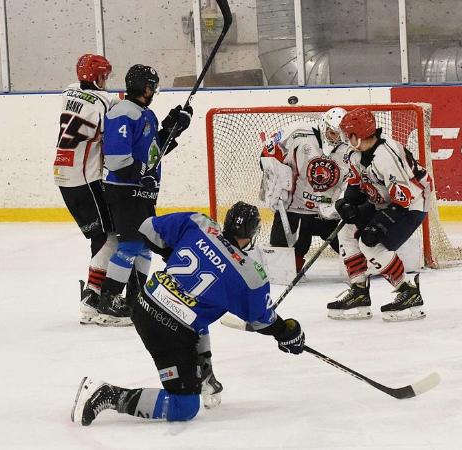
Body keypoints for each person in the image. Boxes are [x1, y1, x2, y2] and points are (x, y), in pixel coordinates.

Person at [71, 202, 306, 426]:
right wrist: (288, 332)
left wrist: (174, 253)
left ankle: (204, 376)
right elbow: (263, 322)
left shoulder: (200, 224)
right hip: (170, 332)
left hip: (144, 305)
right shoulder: (250, 275)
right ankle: (109, 395)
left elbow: (147, 229)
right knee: (184, 406)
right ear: (252, 234)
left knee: (197, 316)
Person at [96, 64, 193, 326]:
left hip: (141, 190)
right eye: (152, 86)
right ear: (145, 87)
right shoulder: (123, 111)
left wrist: (174, 129)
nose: (154, 91)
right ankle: (109, 299)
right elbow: (116, 159)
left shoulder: (144, 113)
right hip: (125, 190)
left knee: (144, 244)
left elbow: (153, 153)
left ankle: (135, 297)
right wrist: (142, 174)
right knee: (130, 244)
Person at [327, 108, 431, 322]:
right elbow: (355, 185)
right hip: (384, 202)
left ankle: (408, 292)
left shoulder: (387, 155)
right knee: (347, 231)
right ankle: (359, 292)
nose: (345, 138)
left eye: (348, 134)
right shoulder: (354, 153)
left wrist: (378, 225)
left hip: (412, 204)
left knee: (369, 243)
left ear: (358, 134)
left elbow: (405, 198)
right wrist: (346, 203)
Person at [53, 54, 121, 325]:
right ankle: (93, 298)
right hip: (85, 179)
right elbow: (112, 129)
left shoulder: (68, 91)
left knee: (99, 235)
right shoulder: (106, 103)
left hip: (62, 174)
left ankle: (94, 292)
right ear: (98, 77)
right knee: (110, 238)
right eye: (104, 75)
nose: (106, 80)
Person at [259, 107, 348, 272]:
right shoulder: (297, 133)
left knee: (357, 259)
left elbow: (355, 179)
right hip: (295, 210)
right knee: (282, 269)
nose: (337, 139)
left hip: (331, 212)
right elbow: (266, 156)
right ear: (323, 125)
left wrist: (345, 202)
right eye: (333, 133)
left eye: (342, 134)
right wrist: (274, 187)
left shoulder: (350, 145)